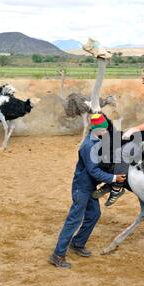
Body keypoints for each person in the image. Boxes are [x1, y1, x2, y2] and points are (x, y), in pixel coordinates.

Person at [48, 113, 126, 268]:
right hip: (82, 188)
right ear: (95, 129)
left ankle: (77, 243)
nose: (106, 132)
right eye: (103, 130)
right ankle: (58, 254)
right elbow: (94, 171)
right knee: (74, 220)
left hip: (88, 187)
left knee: (94, 214)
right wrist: (114, 178)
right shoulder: (88, 146)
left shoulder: (97, 140)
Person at [93, 65, 144, 206]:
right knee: (118, 140)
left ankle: (117, 187)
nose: (142, 82)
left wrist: (135, 129)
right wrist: (133, 130)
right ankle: (112, 180)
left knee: (126, 151)